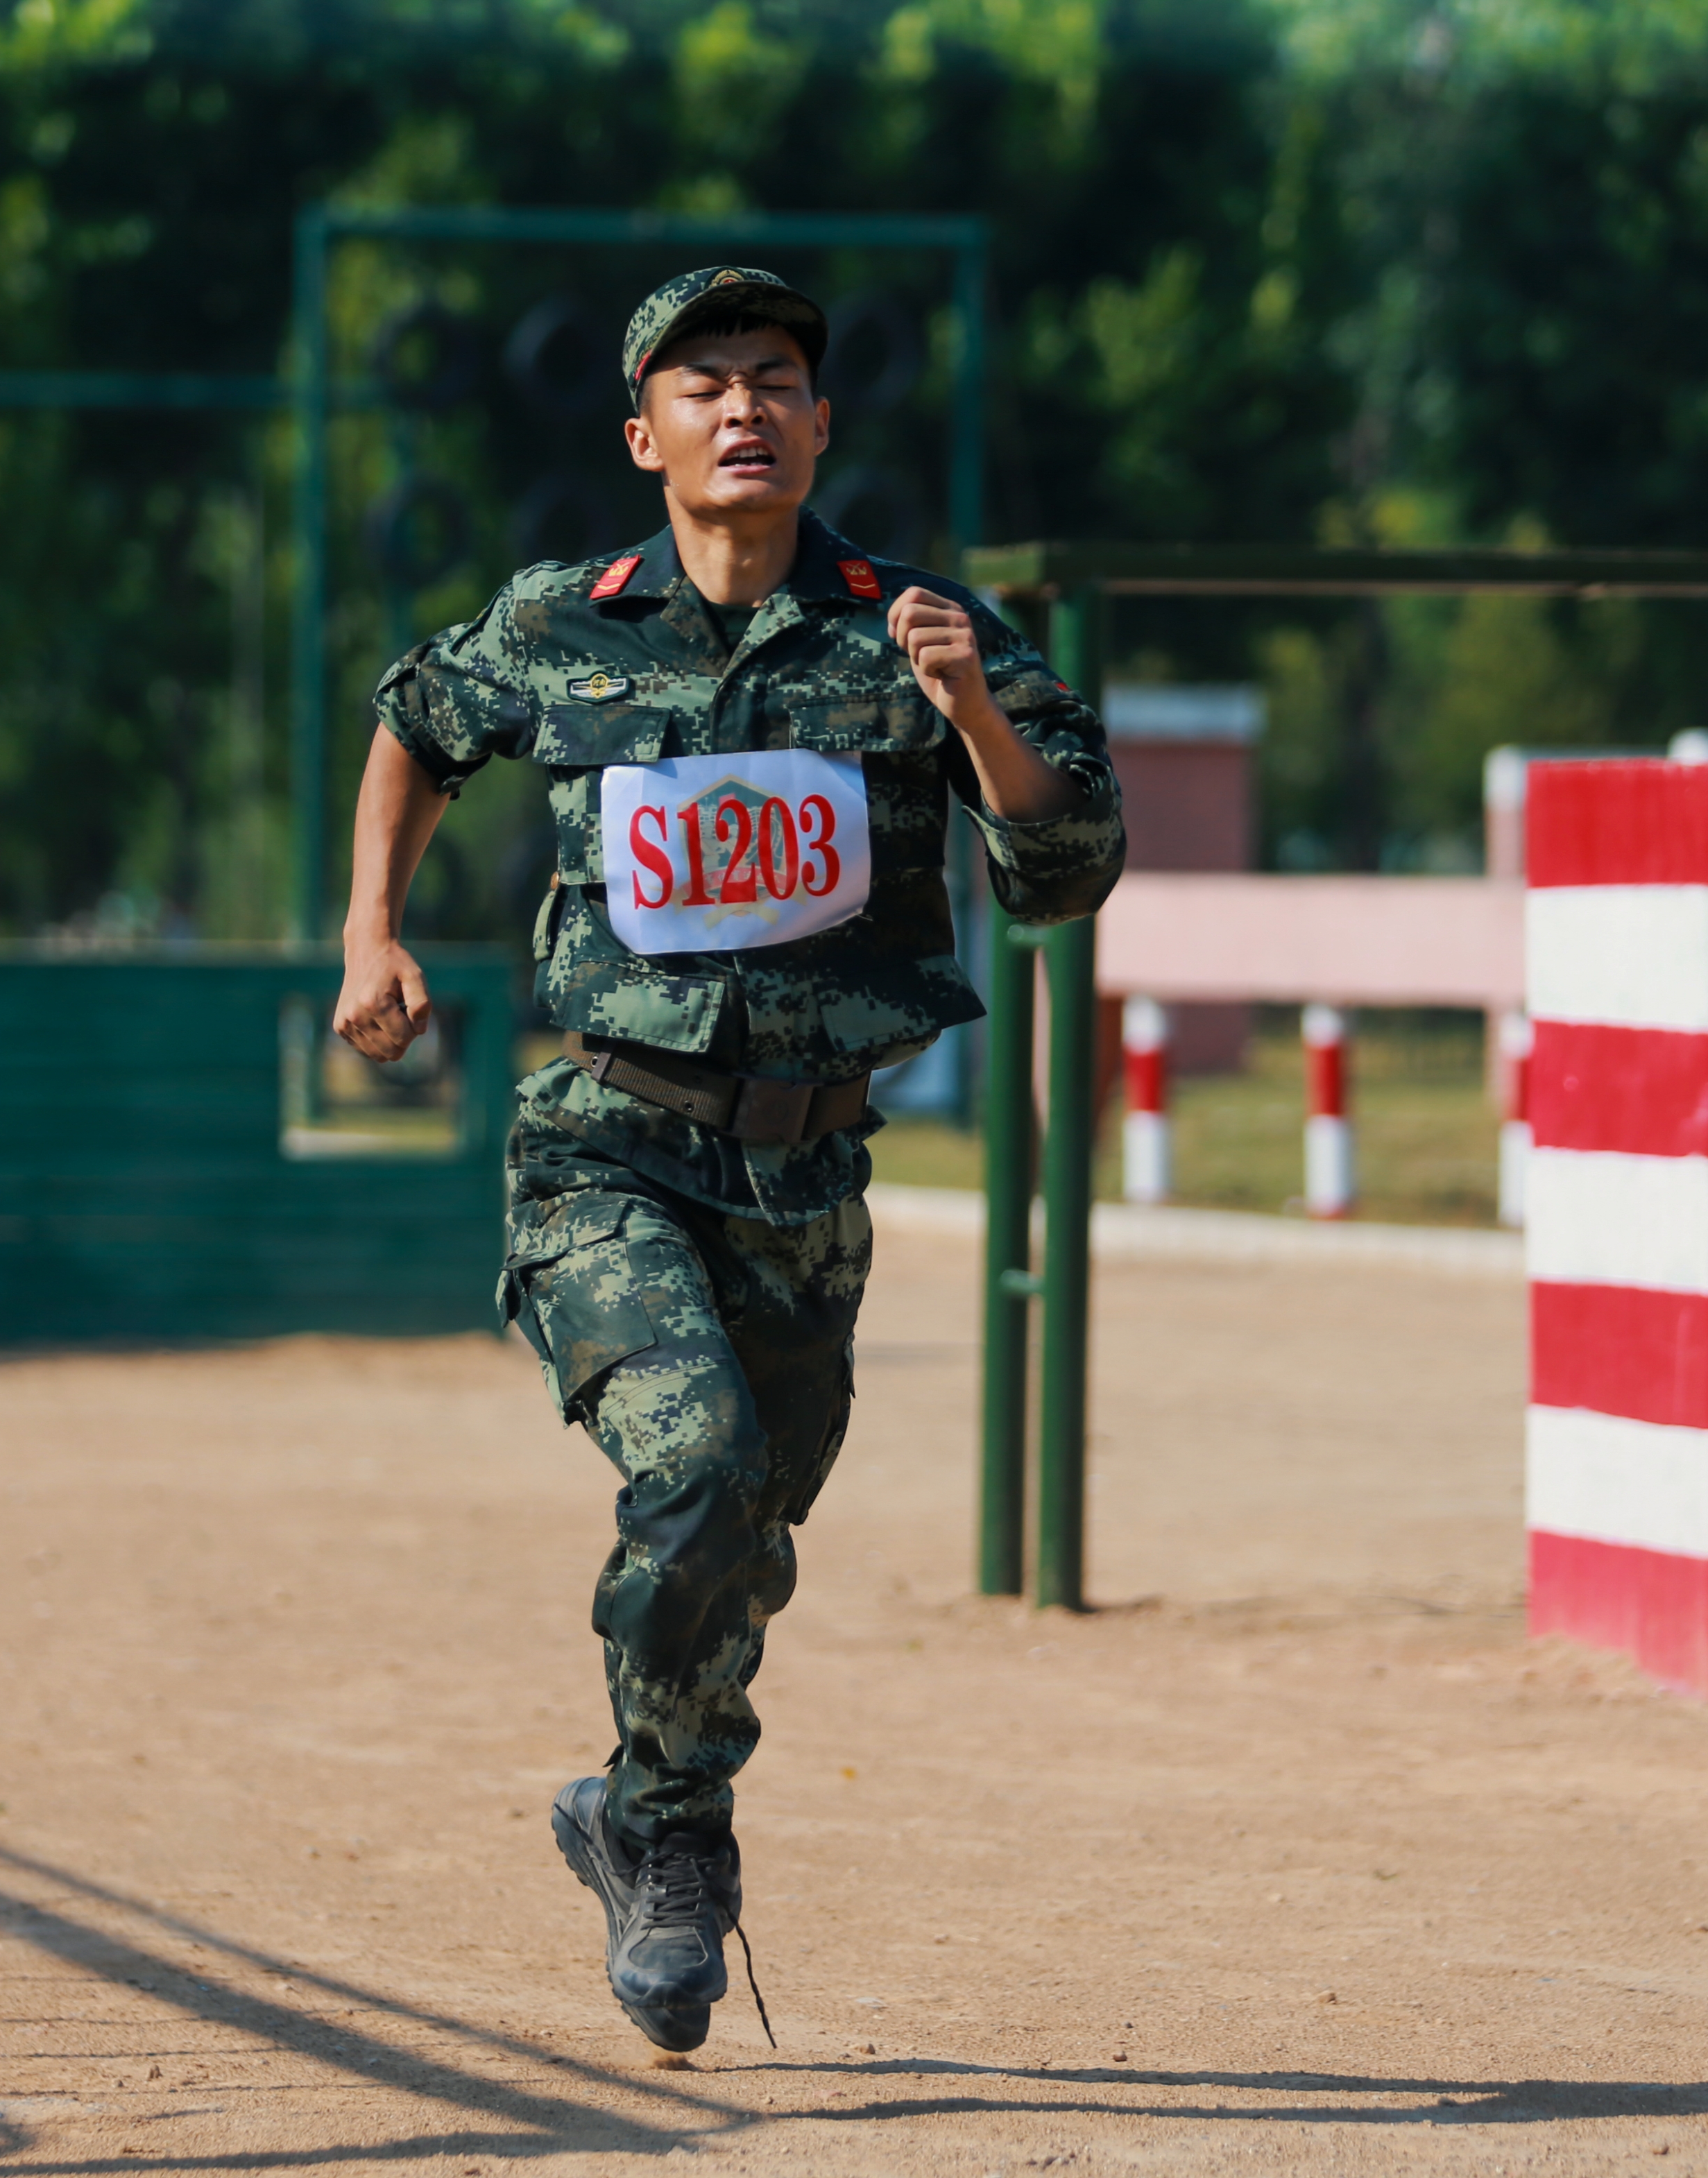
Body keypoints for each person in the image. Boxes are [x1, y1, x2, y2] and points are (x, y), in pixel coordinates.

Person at [332, 264, 1124, 2052]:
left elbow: (1066, 875)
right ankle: (683, 1846)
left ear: (823, 422)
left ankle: (633, 1794)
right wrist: (373, 936)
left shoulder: (915, 631)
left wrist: (975, 721)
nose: (744, 407)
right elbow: (412, 722)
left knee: (744, 1540)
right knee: (689, 1469)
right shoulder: (563, 620)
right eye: (704, 386)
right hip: (605, 1146)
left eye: (776, 378)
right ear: (646, 437)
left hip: (809, 1184)